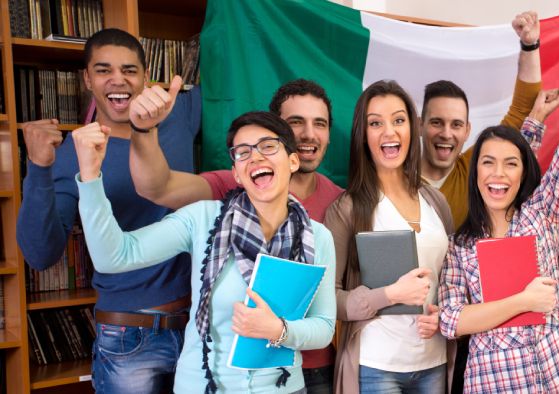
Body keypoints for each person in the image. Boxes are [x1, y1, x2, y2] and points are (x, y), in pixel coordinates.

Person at [74, 111, 336, 393]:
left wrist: (279, 330)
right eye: (243, 152)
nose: (256, 157)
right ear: (236, 172)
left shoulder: (317, 237)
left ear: (293, 161)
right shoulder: (201, 220)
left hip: (285, 387)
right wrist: (90, 178)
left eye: (268, 146)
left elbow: (323, 327)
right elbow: (113, 256)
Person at [15, 28, 201, 393]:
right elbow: (40, 254)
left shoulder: (178, 114)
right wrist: (37, 166)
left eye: (130, 69)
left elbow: (247, 62)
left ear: (146, 76)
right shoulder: (74, 152)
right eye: (103, 70)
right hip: (129, 336)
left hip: (198, 327)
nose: (118, 80)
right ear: (87, 78)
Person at [438, 0, 559, 391]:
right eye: (487, 162)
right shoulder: (462, 244)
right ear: (474, 172)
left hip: (556, 375)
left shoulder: (541, 212)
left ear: (523, 172)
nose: (498, 174)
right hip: (496, 382)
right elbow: (451, 320)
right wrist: (523, 301)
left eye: (510, 163)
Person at [323, 80, 453, 394]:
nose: (389, 132)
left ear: (413, 128)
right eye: (375, 123)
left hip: (433, 362)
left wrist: (445, 313)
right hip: (376, 366)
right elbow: (328, 300)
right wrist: (390, 296)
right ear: (363, 136)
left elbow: (452, 280)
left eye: (398, 120)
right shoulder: (347, 209)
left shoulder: (436, 202)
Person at [420, 11, 546, 230]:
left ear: (468, 130)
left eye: (456, 124)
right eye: (437, 122)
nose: (447, 133)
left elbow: (521, 110)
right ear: (420, 125)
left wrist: (529, 45)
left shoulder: (475, 169)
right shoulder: (395, 178)